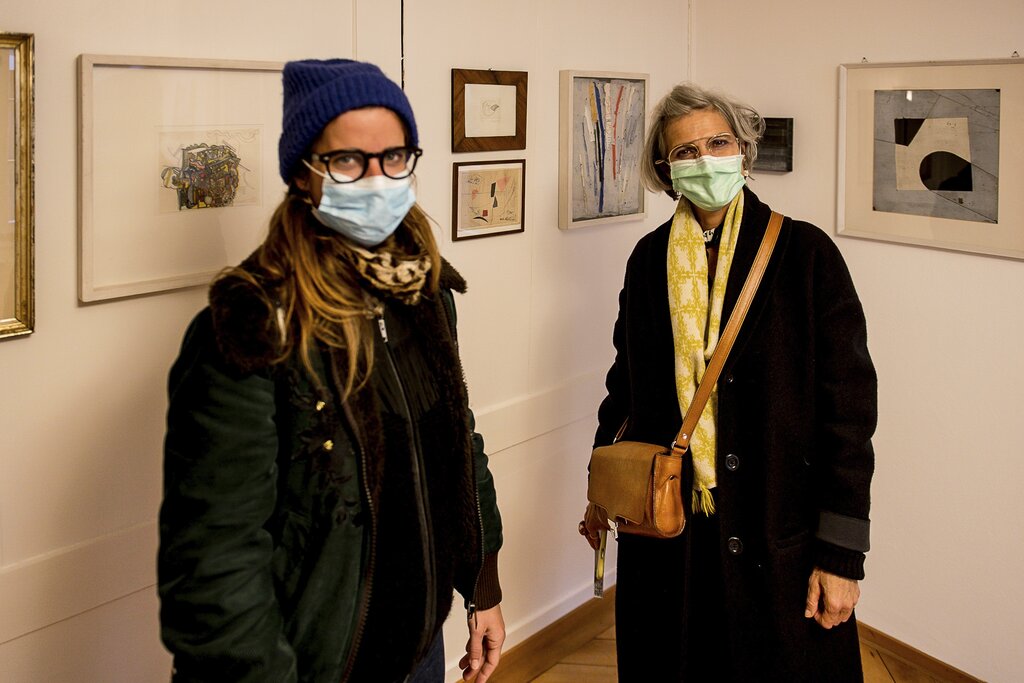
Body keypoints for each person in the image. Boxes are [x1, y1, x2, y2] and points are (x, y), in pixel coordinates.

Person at [158, 59, 505, 683]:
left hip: (420, 650)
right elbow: (215, 558)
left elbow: (458, 440)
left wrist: (483, 582)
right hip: (317, 663)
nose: (377, 178)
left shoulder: (423, 292)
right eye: (348, 161)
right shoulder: (251, 324)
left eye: (394, 157)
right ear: (304, 175)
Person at [580, 82, 877, 681]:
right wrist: (601, 484)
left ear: (744, 151)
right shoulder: (646, 260)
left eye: (718, 142)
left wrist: (842, 554)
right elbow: (624, 388)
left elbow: (847, 413)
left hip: (778, 532)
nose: (705, 159)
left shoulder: (806, 255)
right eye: (685, 152)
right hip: (671, 529)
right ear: (666, 170)